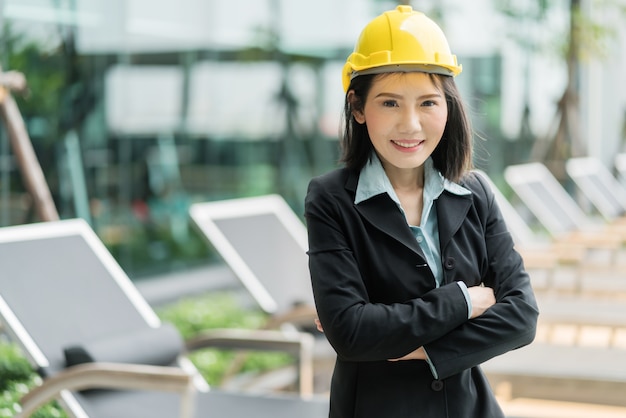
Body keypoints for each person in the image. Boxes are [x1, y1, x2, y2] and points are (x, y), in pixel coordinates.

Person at [304, 6, 538, 418]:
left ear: (448, 107)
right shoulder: (330, 199)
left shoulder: (475, 192)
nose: (410, 124)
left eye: (428, 102)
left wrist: (417, 347)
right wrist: (464, 302)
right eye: (390, 103)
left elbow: (521, 317)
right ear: (358, 108)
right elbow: (352, 332)